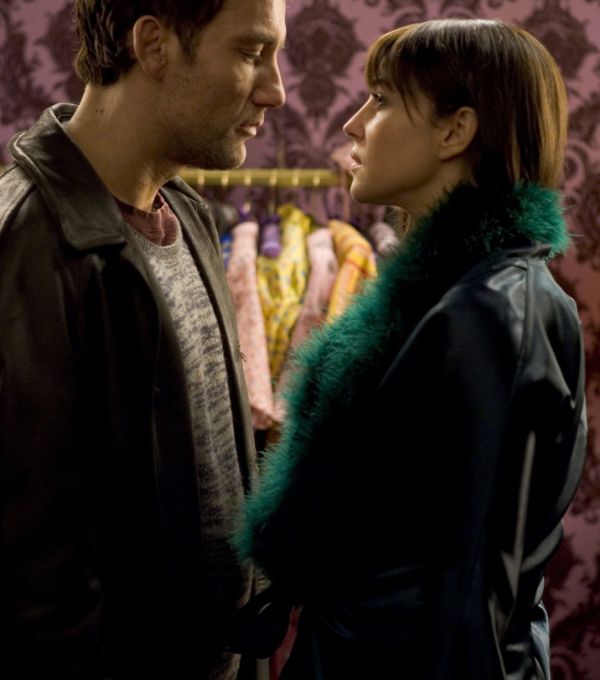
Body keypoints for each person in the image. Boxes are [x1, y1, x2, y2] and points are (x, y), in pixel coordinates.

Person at [234, 19, 587, 679]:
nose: (352, 125)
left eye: (381, 100)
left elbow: (462, 588)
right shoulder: (456, 298)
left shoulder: (487, 310)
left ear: (456, 130)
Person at [0, 0, 285, 678]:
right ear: (154, 45)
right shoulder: (29, 242)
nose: (275, 90)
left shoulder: (185, 211)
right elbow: (35, 581)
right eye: (252, 53)